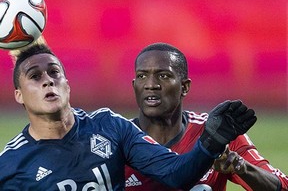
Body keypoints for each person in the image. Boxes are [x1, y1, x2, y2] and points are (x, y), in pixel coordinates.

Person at [0, 38, 257, 191]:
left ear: (67, 84)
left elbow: (175, 173)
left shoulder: (109, 126)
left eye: (54, 72)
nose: (48, 81)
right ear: (19, 95)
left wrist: (210, 142)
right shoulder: (10, 165)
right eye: (35, 77)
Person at [125, 42, 288, 191]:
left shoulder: (216, 132)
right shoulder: (114, 140)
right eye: (142, 76)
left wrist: (240, 166)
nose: (151, 84)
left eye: (163, 75)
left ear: (185, 87)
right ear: (134, 86)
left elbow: (283, 185)